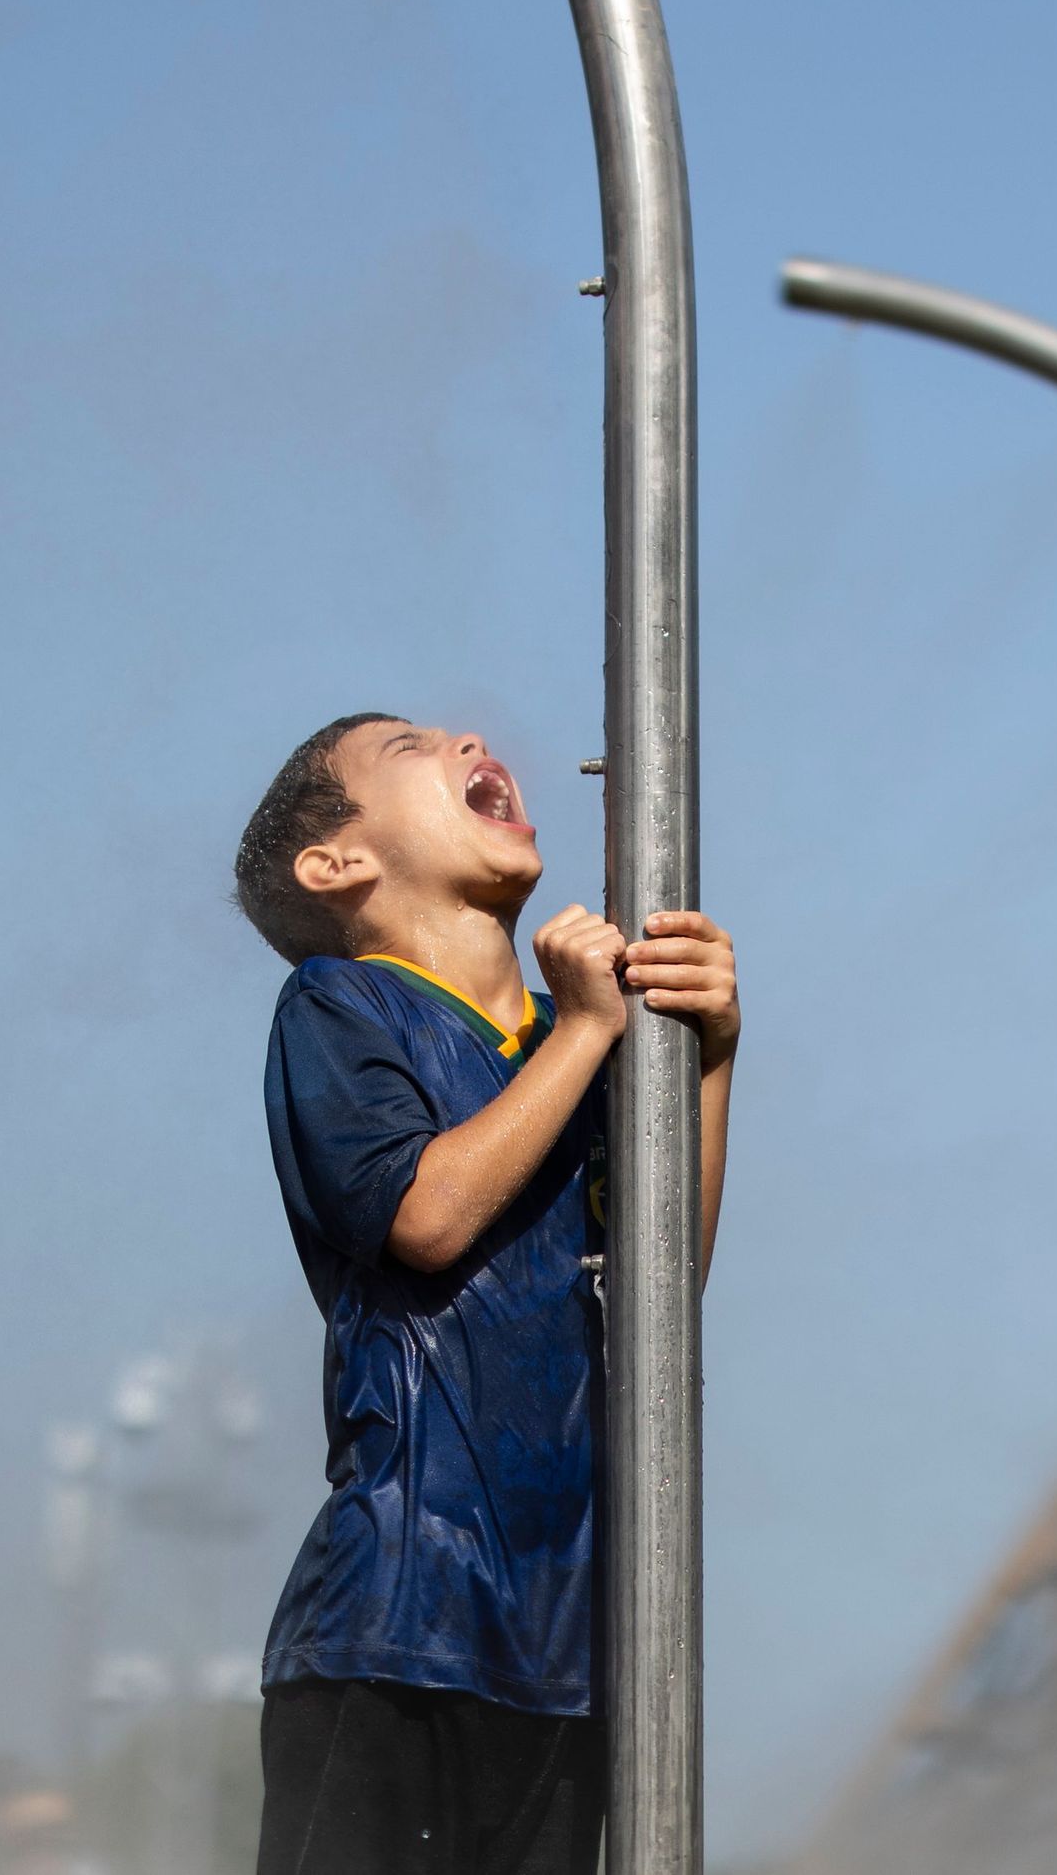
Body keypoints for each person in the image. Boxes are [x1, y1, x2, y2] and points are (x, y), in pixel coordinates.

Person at [228, 713, 743, 1875]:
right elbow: (425, 1214)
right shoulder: (339, 1001)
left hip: (571, 1642)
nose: (463, 733)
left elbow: (666, 1291)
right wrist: (588, 1033)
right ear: (337, 862)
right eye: (408, 746)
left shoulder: (571, 1045)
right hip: (395, 1625)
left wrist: (706, 1053)